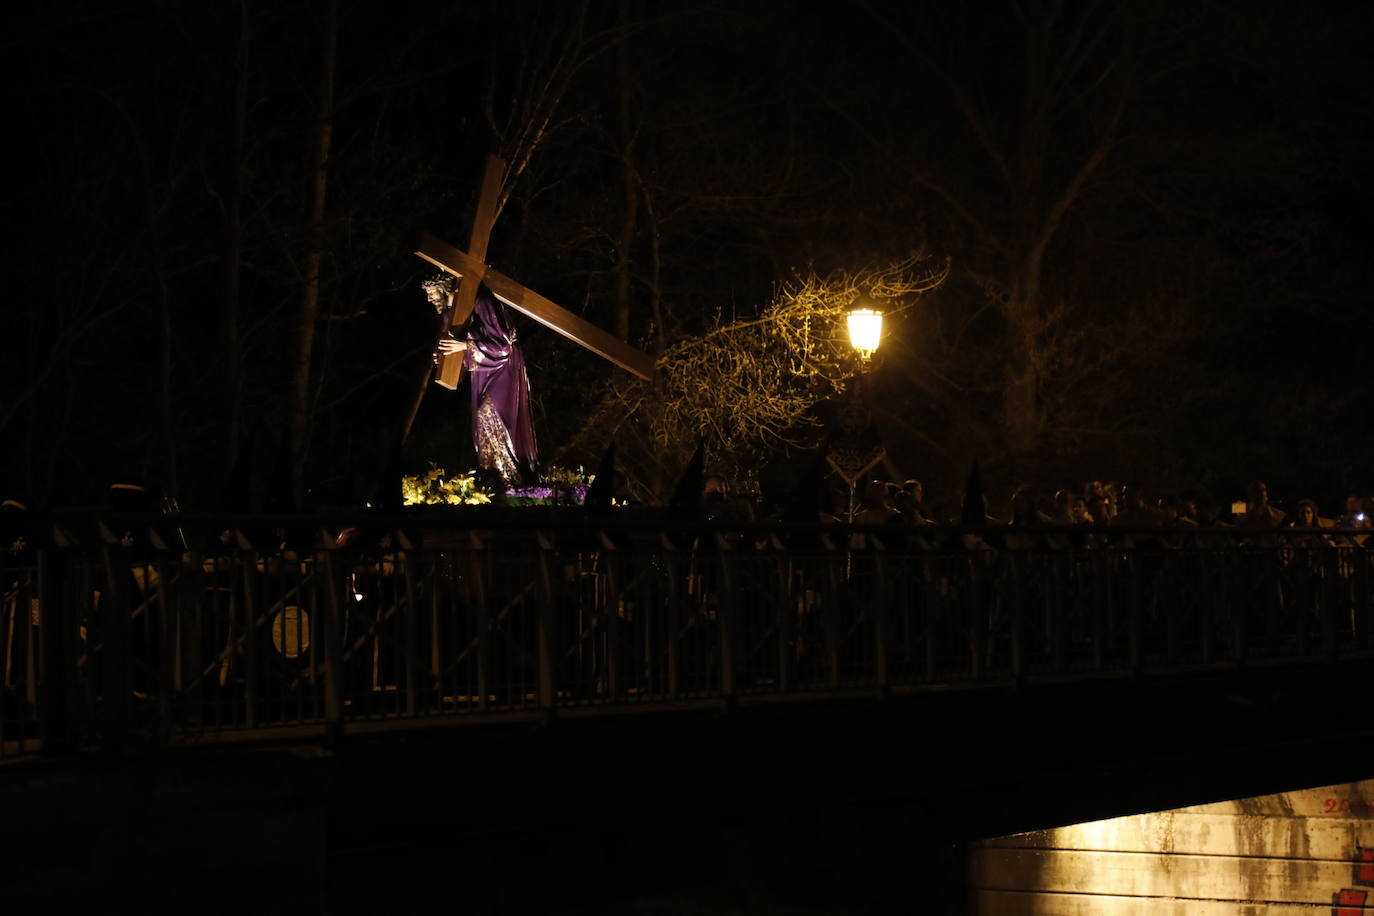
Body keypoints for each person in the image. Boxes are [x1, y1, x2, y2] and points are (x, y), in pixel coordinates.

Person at [436, 287, 539, 483]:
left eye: (434, 292)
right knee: (480, 422)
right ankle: (493, 476)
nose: (431, 298)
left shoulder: (482, 301)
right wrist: (447, 355)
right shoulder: (459, 312)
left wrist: (467, 346)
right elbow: (459, 347)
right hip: (482, 372)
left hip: (504, 370)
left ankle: (511, 477)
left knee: (489, 414)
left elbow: (503, 346)